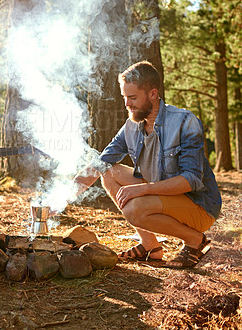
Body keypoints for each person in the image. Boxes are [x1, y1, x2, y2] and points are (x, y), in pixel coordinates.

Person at [73, 61, 222, 268]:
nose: (126, 104)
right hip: (162, 194)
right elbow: (101, 163)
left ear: (153, 94)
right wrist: (64, 194)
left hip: (197, 205)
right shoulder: (131, 127)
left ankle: (194, 240)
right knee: (109, 172)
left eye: (132, 97)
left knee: (134, 210)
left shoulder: (184, 122)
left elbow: (191, 180)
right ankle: (150, 245)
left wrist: (142, 189)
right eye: (124, 97)